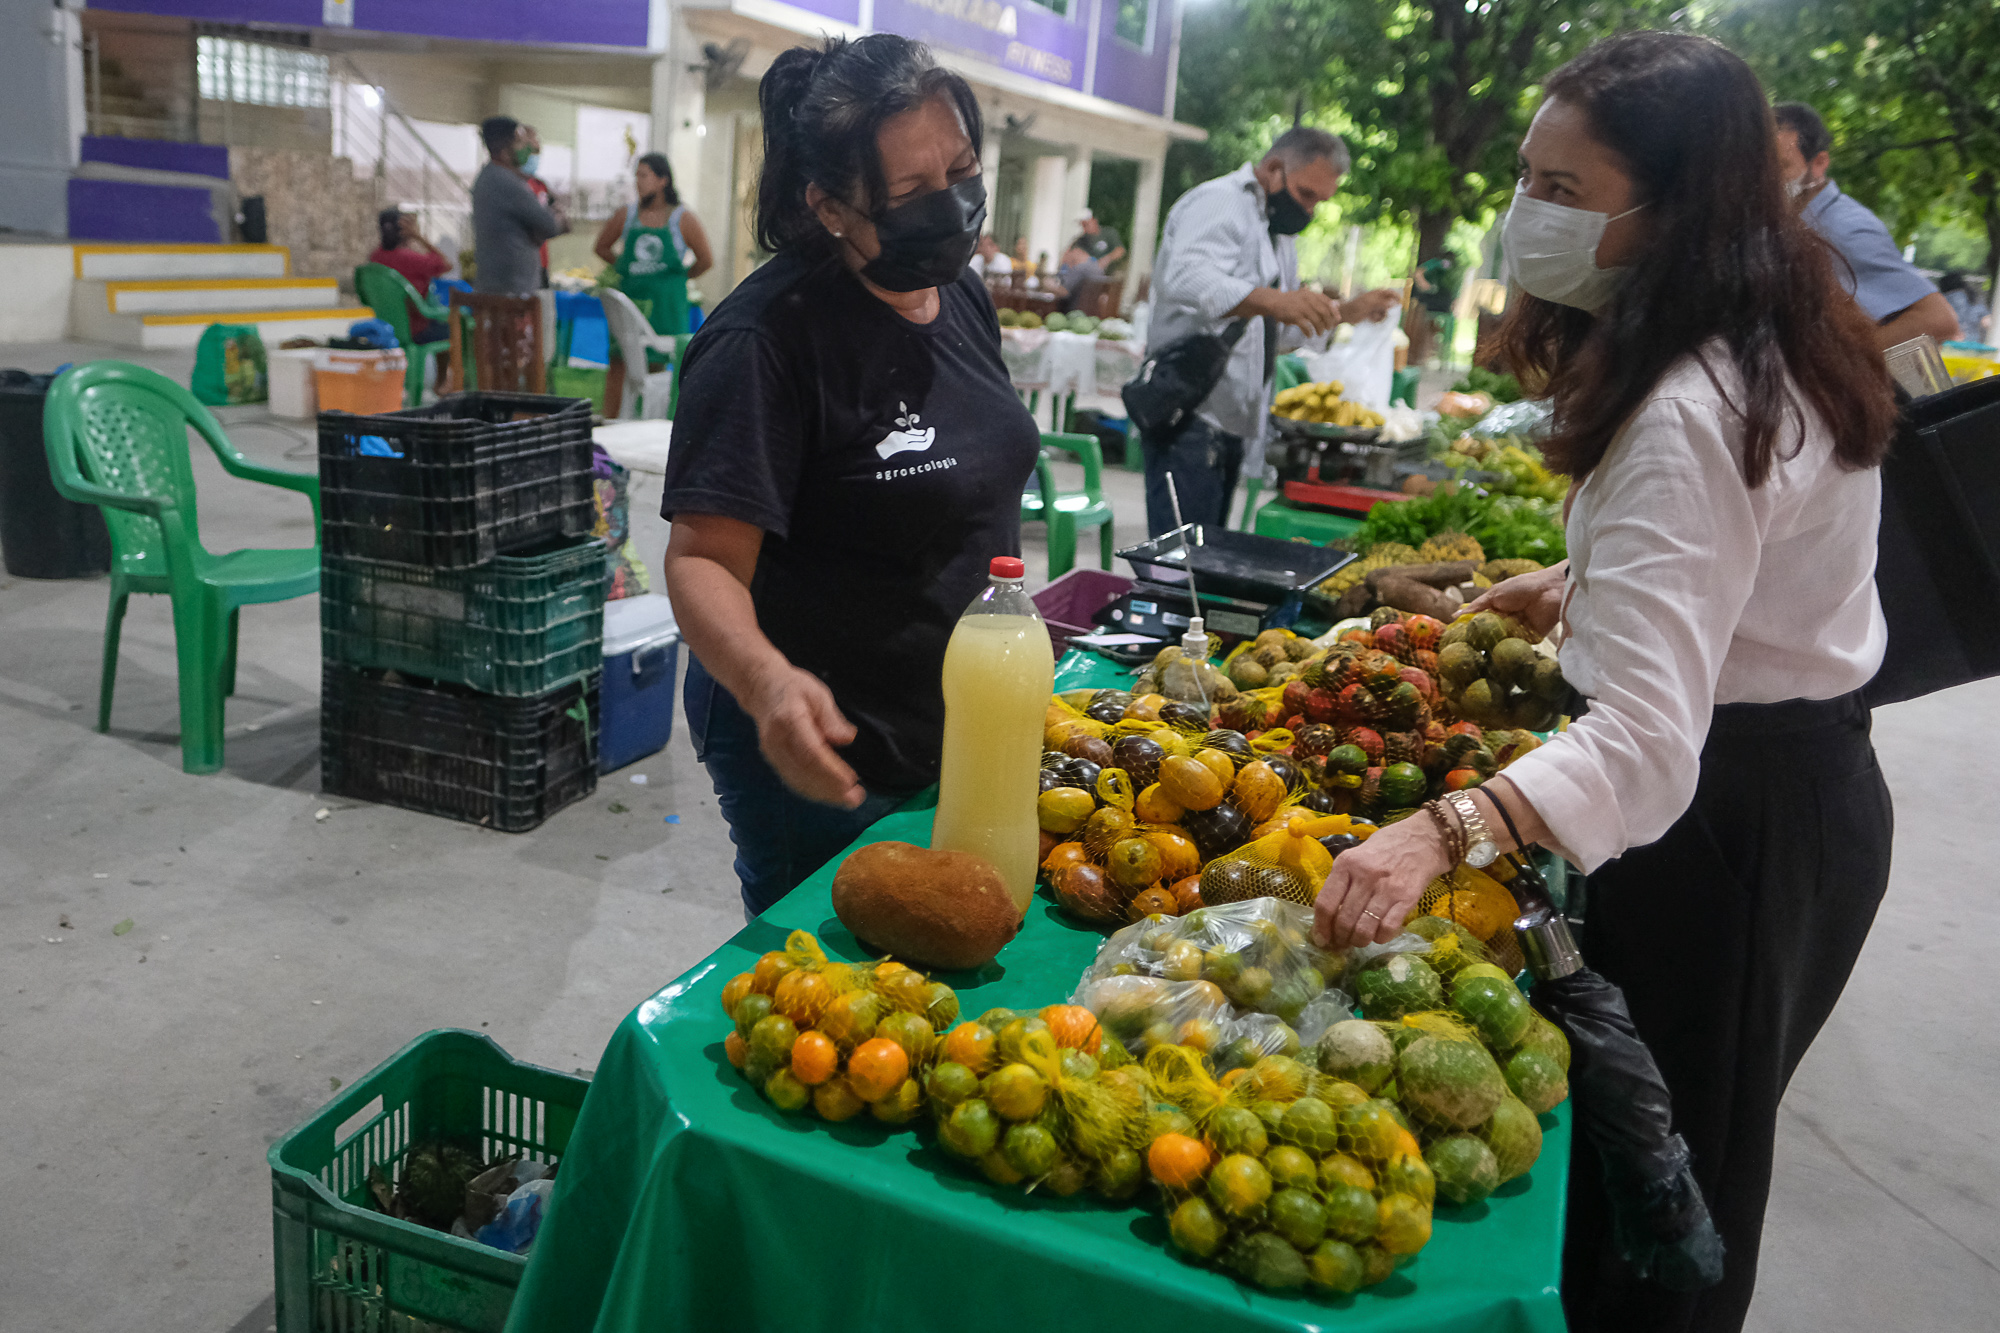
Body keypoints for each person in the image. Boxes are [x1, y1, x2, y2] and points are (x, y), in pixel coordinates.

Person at [1310, 33, 1898, 1333]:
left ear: (1677, 210)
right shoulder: (1771, 319)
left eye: (1565, 192)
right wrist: (1581, 589)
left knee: (1668, 1199)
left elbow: (1643, 739)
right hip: (1789, 784)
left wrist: (1440, 828)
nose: (1527, 213)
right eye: (1527, 177)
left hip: (1735, 828)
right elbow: (1742, 573)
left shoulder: (1697, 400)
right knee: (1663, 1161)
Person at [659, 34, 1039, 918]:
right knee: (837, 998)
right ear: (829, 206)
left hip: (945, 720)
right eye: (909, 194)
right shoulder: (764, 342)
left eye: (962, 169)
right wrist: (768, 684)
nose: (951, 207)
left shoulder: (961, 294)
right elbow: (702, 560)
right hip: (819, 739)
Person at [1142, 126, 1399, 534]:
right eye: (1306, 194)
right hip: (1189, 413)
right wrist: (1277, 300)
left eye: (1320, 202)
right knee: (1179, 565)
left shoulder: (1276, 233)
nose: (1310, 211)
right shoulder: (1220, 202)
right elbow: (1186, 279)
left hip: (1229, 421)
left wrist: (1342, 313)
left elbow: (1270, 336)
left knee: (1205, 557)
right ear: (1275, 168)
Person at [1772, 102, 1960, 349]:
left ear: (1819, 163)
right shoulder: (1791, 223)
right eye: (1763, 168)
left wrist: (1839, 368)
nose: (1769, 179)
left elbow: (1938, 320)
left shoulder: (1843, 229)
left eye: (1782, 166)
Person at [593, 152, 713, 418]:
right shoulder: (627, 215)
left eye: (644, 175)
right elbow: (601, 246)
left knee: (656, 365)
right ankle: (609, 421)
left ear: (663, 181)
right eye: (636, 175)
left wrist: (676, 278)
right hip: (631, 300)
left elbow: (706, 260)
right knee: (619, 359)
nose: (637, 182)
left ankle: (646, 420)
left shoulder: (683, 218)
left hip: (666, 307)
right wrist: (625, 266)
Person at [471, 115, 565, 296]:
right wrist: (558, 213)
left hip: (499, 285)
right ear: (505, 150)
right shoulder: (506, 183)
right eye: (520, 143)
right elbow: (549, 225)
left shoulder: (488, 177)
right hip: (511, 291)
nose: (527, 150)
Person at [366, 208, 451, 343]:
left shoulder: (375, 258)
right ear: (406, 231)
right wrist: (418, 236)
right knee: (459, 328)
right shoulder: (411, 259)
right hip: (416, 329)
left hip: (387, 327)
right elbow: (447, 265)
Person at [1939, 270, 1990, 344]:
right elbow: (1987, 321)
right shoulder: (1973, 299)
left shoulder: (1942, 300)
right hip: (1973, 345)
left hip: (1949, 345)